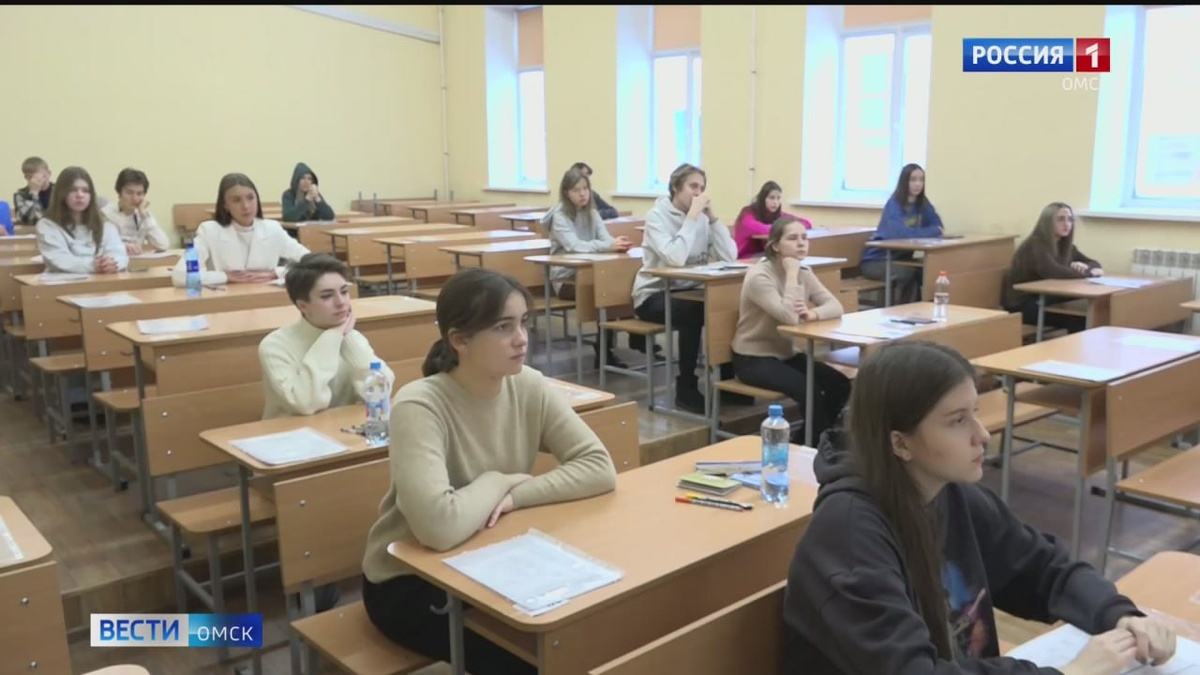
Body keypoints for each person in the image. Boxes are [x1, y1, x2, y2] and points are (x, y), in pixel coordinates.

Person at [783, 340, 1178, 674]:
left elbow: (1042, 568)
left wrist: (1118, 614)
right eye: (957, 421)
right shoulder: (849, 535)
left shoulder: (947, 491)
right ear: (900, 443)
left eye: (975, 412)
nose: (983, 434)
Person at [361, 267, 618, 675]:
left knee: (594, 631)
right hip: (411, 582)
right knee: (535, 660)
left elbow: (598, 467)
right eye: (503, 327)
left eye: (523, 323)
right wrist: (498, 481)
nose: (521, 338)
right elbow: (438, 528)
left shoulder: (528, 385)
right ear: (459, 340)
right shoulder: (419, 405)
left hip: (496, 559)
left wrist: (515, 497)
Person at [259, 253, 393, 613]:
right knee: (327, 499)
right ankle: (316, 584)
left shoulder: (352, 337)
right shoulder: (276, 345)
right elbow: (306, 402)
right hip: (291, 460)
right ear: (302, 306)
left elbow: (381, 388)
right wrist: (333, 338)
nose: (342, 303)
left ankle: (382, 572)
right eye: (327, 296)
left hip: (345, 447)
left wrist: (349, 341)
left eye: (344, 292)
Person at [730, 216, 850, 443]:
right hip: (753, 357)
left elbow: (835, 306)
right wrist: (792, 274)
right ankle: (813, 445)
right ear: (775, 246)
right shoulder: (759, 276)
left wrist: (813, 314)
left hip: (785, 354)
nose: (801, 243)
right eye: (793, 238)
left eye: (804, 238)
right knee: (810, 392)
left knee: (840, 384)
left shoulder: (804, 271)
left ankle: (810, 440)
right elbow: (788, 317)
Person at [632, 163, 738, 413]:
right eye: (693, 187)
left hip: (689, 290)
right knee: (694, 313)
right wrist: (691, 218)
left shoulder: (702, 219)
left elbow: (730, 256)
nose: (698, 193)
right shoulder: (657, 217)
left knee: (728, 307)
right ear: (675, 188)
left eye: (702, 188)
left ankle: (728, 381)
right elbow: (675, 258)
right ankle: (686, 387)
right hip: (653, 294)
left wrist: (713, 219)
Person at [544, 167, 634, 369]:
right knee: (607, 292)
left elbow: (605, 238)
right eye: (576, 190)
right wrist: (607, 246)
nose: (583, 194)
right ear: (566, 192)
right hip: (565, 278)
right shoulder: (559, 216)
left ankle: (614, 346)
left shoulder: (592, 212)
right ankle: (605, 351)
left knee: (617, 287)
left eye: (585, 189)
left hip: (592, 274)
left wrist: (616, 243)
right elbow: (574, 246)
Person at [174, 173, 310, 287]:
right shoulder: (208, 230)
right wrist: (225, 276)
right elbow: (180, 275)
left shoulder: (273, 229)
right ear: (225, 205)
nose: (246, 206)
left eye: (250, 198)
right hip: (226, 302)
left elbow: (312, 262)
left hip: (266, 299)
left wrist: (277, 273)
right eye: (236, 200)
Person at [1002, 202, 1103, 334]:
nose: (1067, 224)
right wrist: (1088, 273)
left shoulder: (1064, 245)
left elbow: (1093, 263)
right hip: (1024, 305)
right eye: (1060, 219)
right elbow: (1054, 272)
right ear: (1047, 222)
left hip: (1046, 300)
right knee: (1081, 321)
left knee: (1093, 314)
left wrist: (1088, 267)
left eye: (1070, 219)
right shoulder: (1035, 245)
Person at [861, 163, 944, 304]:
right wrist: (926, 232)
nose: (918, 184)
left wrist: (918, 233)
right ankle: (900, 310)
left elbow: (938, 226)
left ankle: (918, 309)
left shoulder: (923, 203)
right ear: (904, 182)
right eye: (913, 180)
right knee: (907, 273)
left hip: (900, 259)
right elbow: (900, 234)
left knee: (926, 272)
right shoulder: (894, 204)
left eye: (921, 180)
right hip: (876, 261)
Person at [34, 166, 128, 274]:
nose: (80, 195)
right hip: (62, 282)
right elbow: (59, 259)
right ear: (61, 193)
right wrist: (93, 266)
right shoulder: (47, 225)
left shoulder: (105, 225)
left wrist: (112, 263)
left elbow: (119, 254)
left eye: (85, 190)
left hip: (101, 281)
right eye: (73, 190)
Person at [732, 180, 813, 258]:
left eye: (778, 198)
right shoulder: (748, 213)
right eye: (771, 198)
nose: (775, 202)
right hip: (745, 256)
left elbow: (806, 223)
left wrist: (790, 226)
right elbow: (762, 229)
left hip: (765, 254)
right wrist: (786, 227)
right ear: (763, 199)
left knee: (791, 253)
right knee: (782, 256)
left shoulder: (776, 214)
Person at [101, 168, 170, 255]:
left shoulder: (143, 215)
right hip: (113, 260)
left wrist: (144, 215)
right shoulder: (106, 214)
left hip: (137, 261)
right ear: (119, 192)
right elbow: (101, 246)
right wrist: (123, 246)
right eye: (129, 193)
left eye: (139, 194)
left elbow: (163, 245)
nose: (135, 198)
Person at [14, 156, 54, 226]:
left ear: (49, 173)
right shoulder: (21, 195)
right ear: (26, 177)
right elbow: (24, 219)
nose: (39, 181)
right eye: (31, 178)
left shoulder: (59, 191)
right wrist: (34, 194)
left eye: (43, 176)